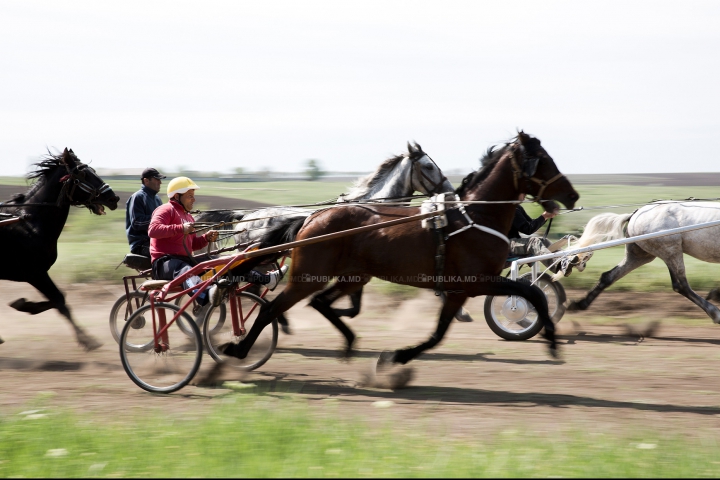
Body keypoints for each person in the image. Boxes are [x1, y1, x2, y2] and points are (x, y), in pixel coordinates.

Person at [149, 176, 286, 307]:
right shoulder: (166, 210)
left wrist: (205, 238)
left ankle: (266, 280)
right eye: (190, 196)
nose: (193, 199)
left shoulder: (189, 217)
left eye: (193, 196)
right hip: (164, 263)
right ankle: (206, 294)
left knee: (226, 263)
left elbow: (193, 244)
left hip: (185, 260)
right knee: (186, 271)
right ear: (177, 196)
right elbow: (153, 230)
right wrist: (180, 228)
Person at [508, 193, 569, 274]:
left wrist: (546, 216)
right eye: (524, 194)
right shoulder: (510, 209)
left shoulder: (517, 207)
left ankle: (566, 260)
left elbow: (530, 223)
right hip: (507, 245)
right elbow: (528, 229)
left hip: (515, 241)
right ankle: (557, 265)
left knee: (544, 241)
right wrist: (544, 216)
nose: (525, 197)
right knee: (534, 242)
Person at [125, 167, 166, 257]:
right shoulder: (138, 197)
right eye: (157, 179)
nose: (160, 182)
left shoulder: (157, 199)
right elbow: (137, 223)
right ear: (146, 181)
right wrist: (159, 220)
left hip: (155, 241)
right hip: (141, 244)